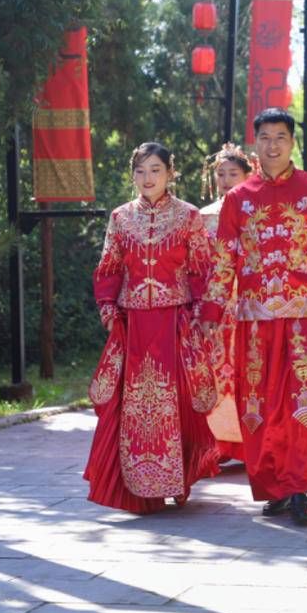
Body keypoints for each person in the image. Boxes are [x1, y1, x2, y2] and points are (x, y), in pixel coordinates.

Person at [200, 108, 307, 526]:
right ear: (255, 143)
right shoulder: (240, 199)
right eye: (265, 137)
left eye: (281, 137)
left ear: (292, 143)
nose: (273, 145)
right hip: (254, 322)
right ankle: (274, 486)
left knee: (302, 402)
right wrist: (212, 309)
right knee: (259, 406)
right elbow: (224, 261)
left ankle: (298, 487)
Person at [85, 142, 220, 514]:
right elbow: (109, 266)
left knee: (176, 404)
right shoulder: (120, 218)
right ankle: (138, 486)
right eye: (141, 170)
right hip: (133, 327)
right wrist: (108, 308)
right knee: (132, 406)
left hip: (174, 323)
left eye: (156, 169)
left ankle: (178, 477)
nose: (148, 178)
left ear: (170, 173)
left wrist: (200, 313)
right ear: (132, 175)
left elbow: (202, 268)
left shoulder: (189, 216)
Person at [199, 143, 258, 464]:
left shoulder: (256, 212)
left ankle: (249, 439)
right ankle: (219, 441)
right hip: (215, 302)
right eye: (220, 174)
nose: (225, 180)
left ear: (248, 176)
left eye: (232, 174)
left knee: (248, 368)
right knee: (215, 369)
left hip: (248, 301)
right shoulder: (203, 215)